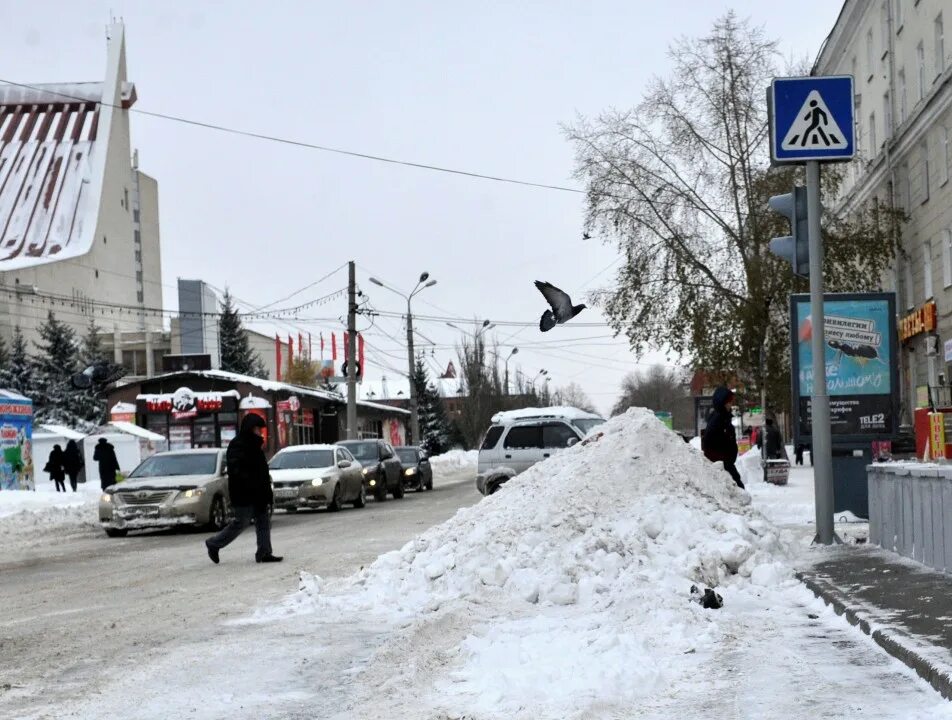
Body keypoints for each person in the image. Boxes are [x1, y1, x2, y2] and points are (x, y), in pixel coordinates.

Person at [205, 413, 282, 564]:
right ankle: (214, 543)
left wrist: (266, 492)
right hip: (244, 493)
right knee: (241, 522)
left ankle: (264, 552)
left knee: (263, 521)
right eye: (257, 429)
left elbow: (262, 472)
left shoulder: (256, 445)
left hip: (259, 492)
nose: (260, 432)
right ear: (249, 429)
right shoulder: (238, 444)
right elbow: (236, 470)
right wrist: (250, 482)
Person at [701, 386, 744, 489]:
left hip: (725, 462)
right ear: (722, 403)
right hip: (722, 463)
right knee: (738, 488)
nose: (731, 404)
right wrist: (723, 459)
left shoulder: (723, 417)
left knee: (737, 488)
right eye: (729, 402)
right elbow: (708, 442)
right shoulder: (719, 419)